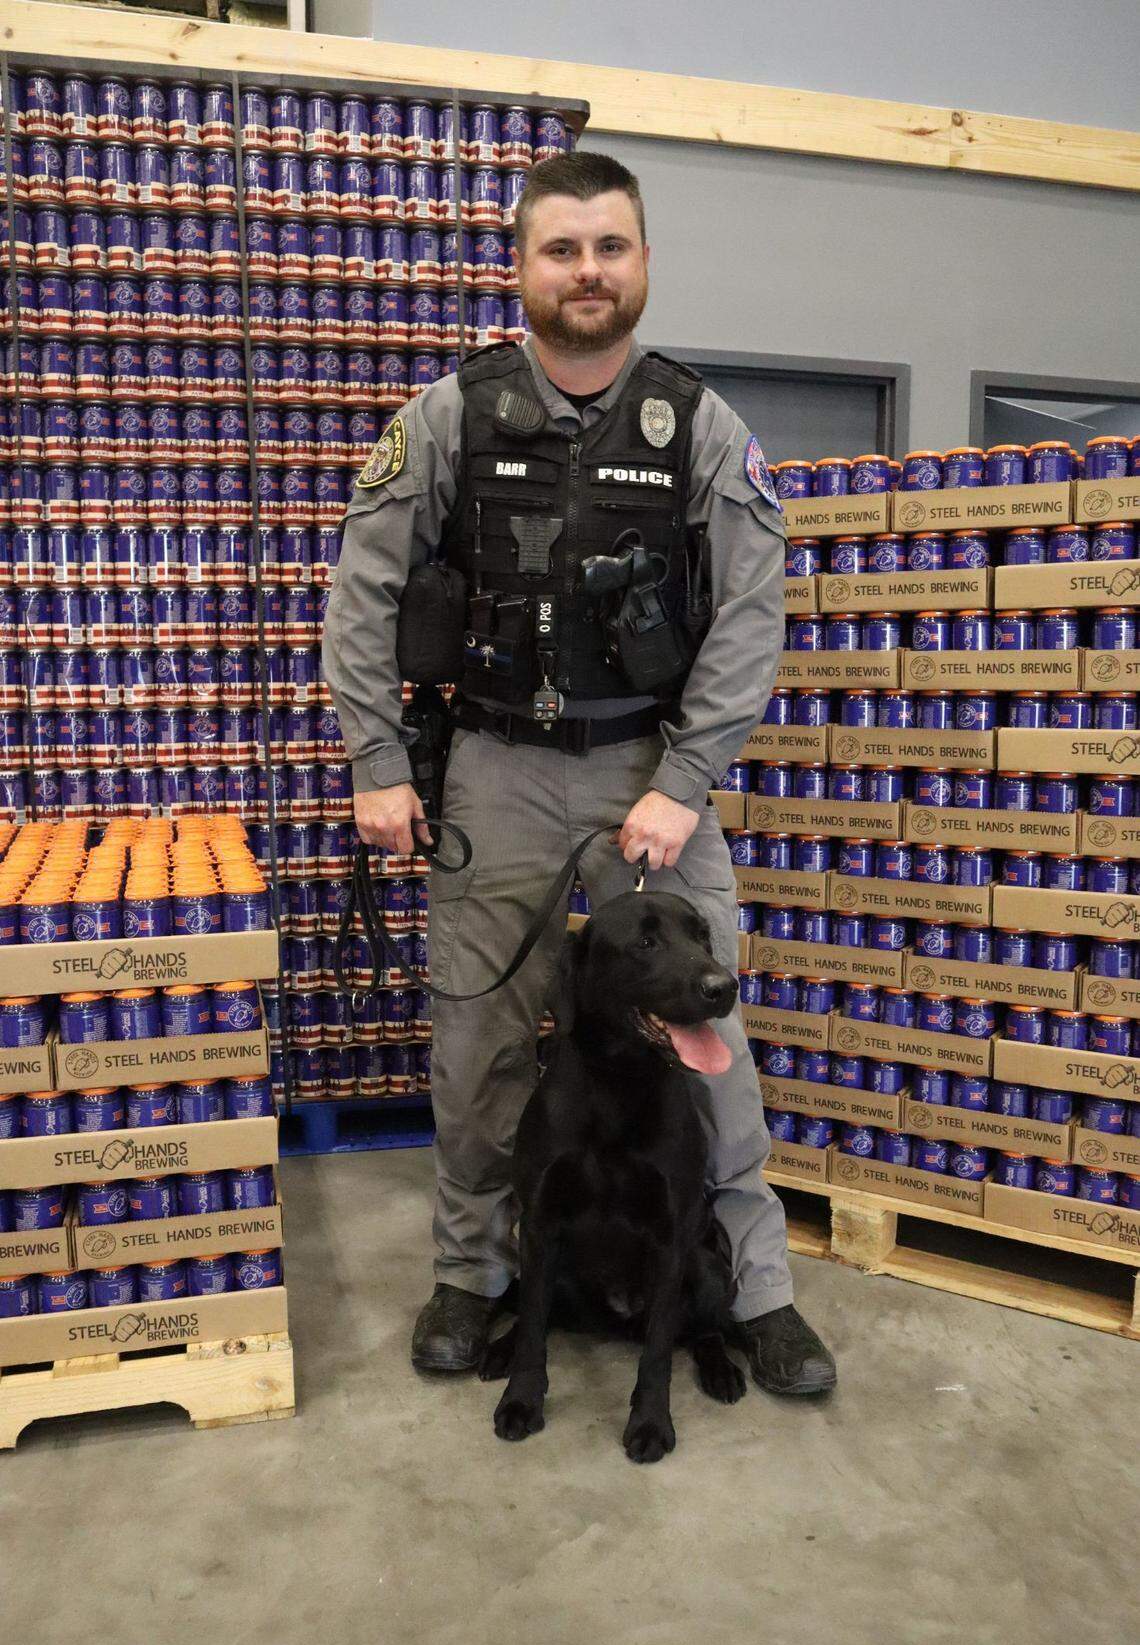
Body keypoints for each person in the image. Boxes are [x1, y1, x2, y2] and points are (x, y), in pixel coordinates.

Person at [322, 151, 836, 1396]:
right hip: (492, 770)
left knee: (708, 1030)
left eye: (610, 247)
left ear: (644, 262)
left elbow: (752, 615)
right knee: (478, 1040)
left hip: (648, 773)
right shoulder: (447, 417)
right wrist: (379, 761)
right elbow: (363, 592)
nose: (588, 271)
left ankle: (756, 1291)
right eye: (562, 249)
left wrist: (686, 779)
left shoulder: (700, 427)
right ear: (521, 267)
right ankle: (473, 1274)